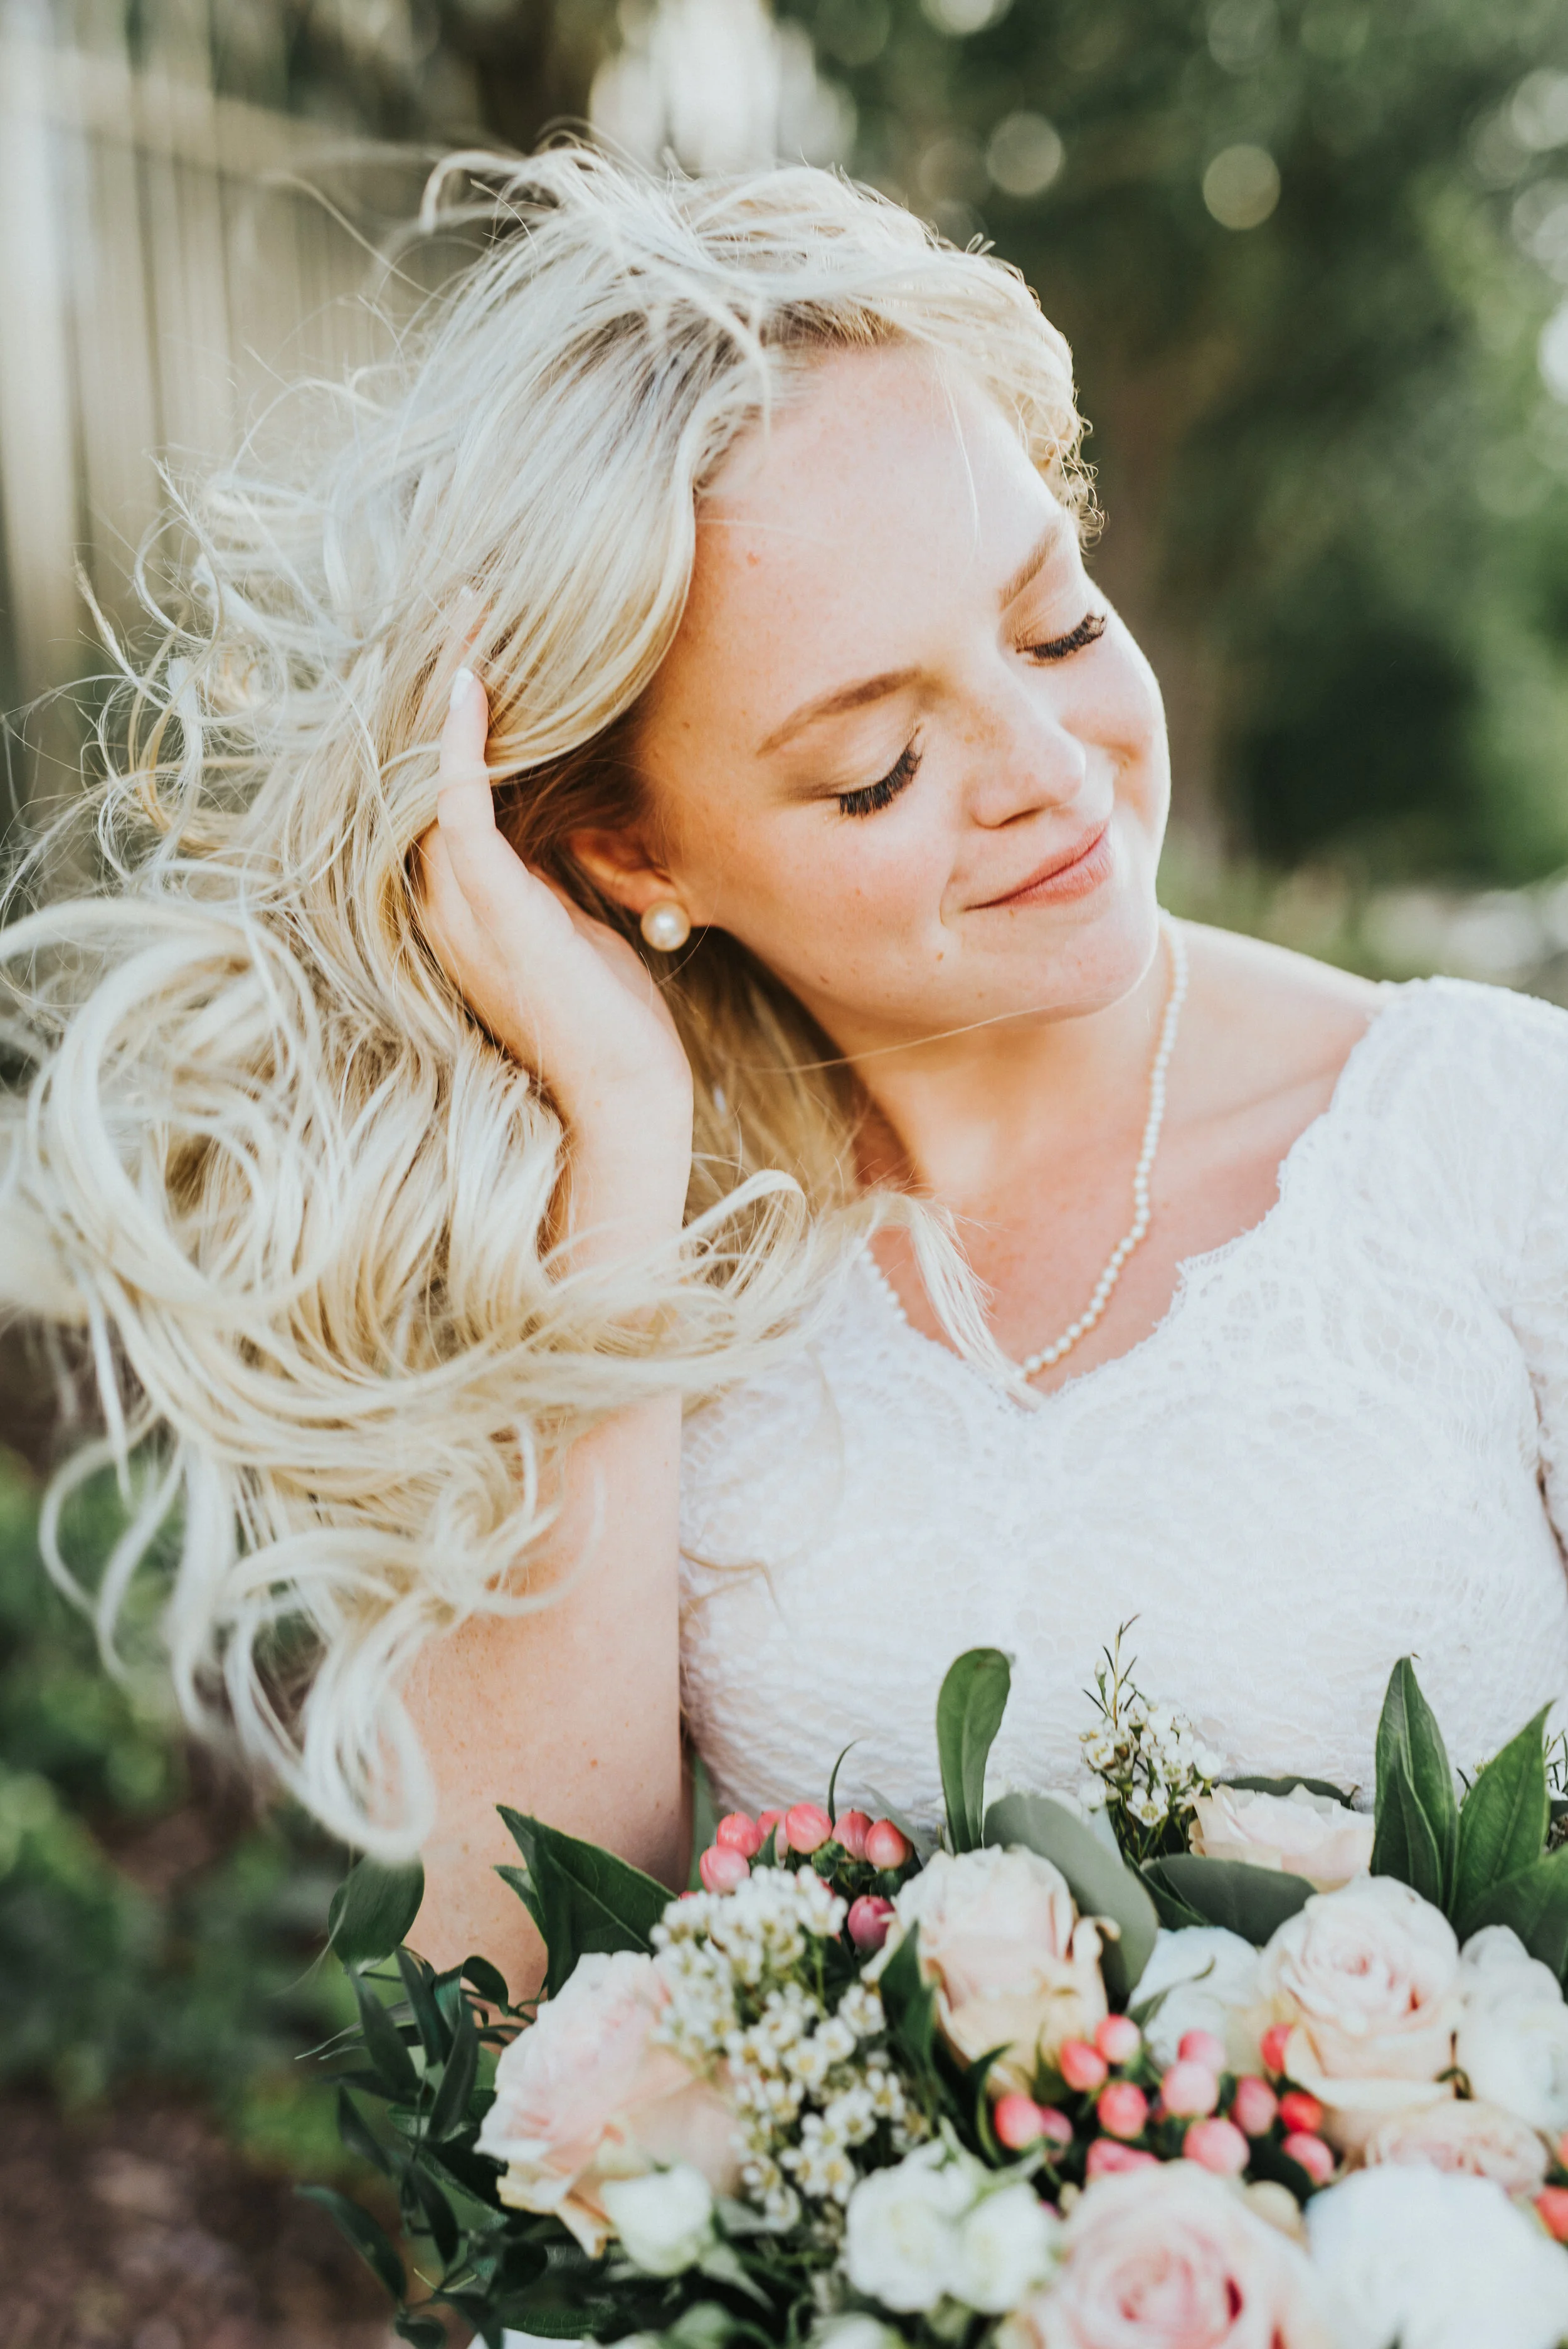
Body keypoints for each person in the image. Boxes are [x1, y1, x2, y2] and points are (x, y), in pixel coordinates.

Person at [4, 149, 1567, 1996]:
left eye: (1057, 622)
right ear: (629, 856)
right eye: (875, 769)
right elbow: (504, 2008)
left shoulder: (1498, 1137)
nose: (1045, 767)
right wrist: (618, 1152)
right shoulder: (633, 1251)